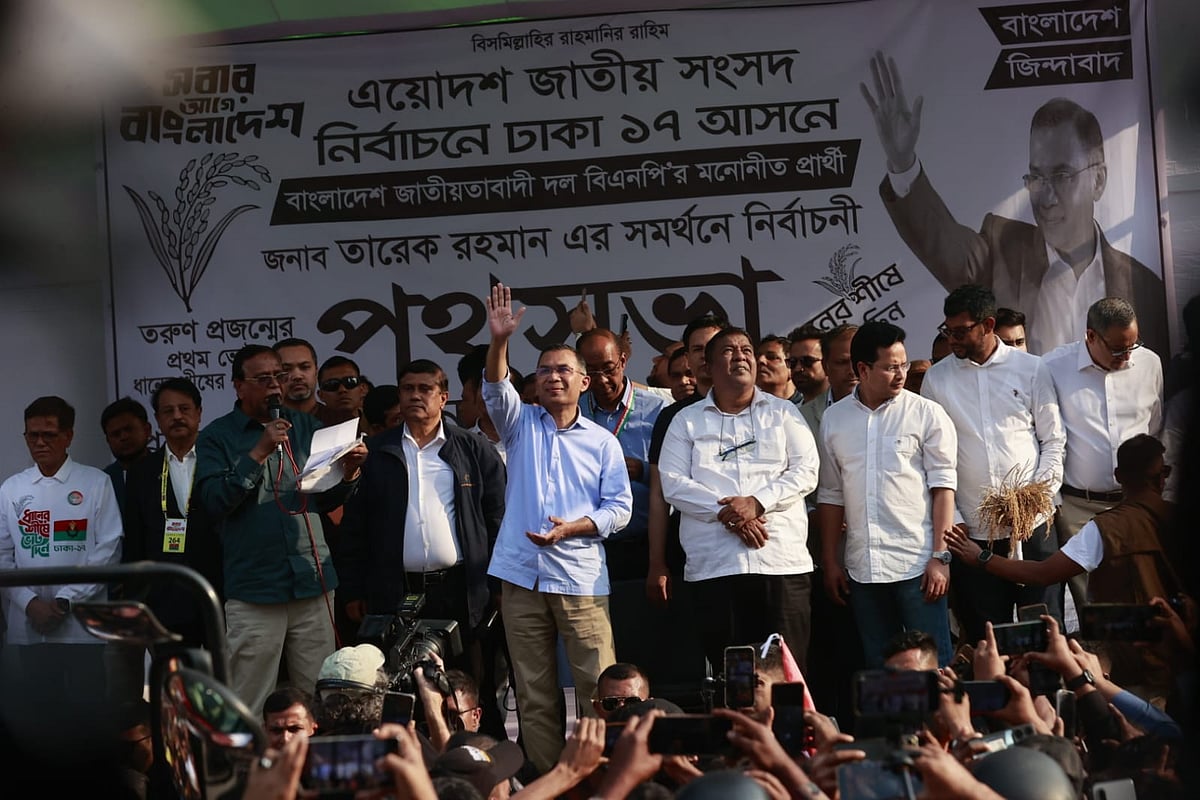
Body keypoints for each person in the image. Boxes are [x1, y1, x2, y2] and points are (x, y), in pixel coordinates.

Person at [863, 52, 1168, 356]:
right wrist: (903, 164)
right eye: (1036, 178)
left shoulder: (1144, 286)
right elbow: (941, 241)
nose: (1046, 198)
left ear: (1098, 180)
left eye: (1062, 175)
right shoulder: (1001, 249)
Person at [481, 283, 632, 774]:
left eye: (564, 370)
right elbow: (494, 390)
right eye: (544, 370)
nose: (552, 377)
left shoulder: (602, 443)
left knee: (599, 691)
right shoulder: (519, 424)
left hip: (581, 579)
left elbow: (620, 509)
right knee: (533, 692)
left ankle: (605, 776)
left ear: (584, 383)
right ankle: (550, 779)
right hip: (522, 577)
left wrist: (574, 529)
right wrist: (500, 340)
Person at [194, 344, 367, 714]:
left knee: (319, 698)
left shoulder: (307, 427)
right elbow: (213, 502)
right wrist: (257, 452)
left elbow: (323, 499)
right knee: (249, 701)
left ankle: (313, 771)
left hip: (312, 581)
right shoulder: (216, 437)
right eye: (263, 379)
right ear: (238, 386)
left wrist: (349, 473)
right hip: (255, 588)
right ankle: (250, 772)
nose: (275, 386)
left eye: (279, 377)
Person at [339, 358, 506, 735]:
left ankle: (479, 767)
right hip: (394, 592)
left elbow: (498, 522)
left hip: (461, 591)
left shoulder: (473, 449)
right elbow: (355, 530)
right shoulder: (376, 452)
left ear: (443, 397)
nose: (415, 396)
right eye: (407, 389)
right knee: (399, 691)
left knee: (468, 687)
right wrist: (352, 589)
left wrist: (497, 586)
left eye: (425, 389)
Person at [945, 434, 1181, 694]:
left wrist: (981, 557)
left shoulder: (1106, 529)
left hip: (1135, 666)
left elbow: (1042, 573)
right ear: (1162, 477)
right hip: (1182, 654)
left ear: (1118, 476)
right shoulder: (1182, 519)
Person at [659, 327, 819, 672]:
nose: (742, 356)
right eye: (729, 351)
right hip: (716, 567)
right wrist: (732, 513)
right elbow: (673, 484)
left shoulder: (782, 413)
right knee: (734, 681)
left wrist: (757, 503)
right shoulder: (685, 421)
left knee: (786, 676)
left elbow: (807, 471)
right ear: (709, 366)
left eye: (746, 349)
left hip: (780, 562)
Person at [920, 284, 1065, 639]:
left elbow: (1053, 441)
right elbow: (930, 457)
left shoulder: (1030, 368)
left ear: (986, 325)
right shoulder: (937, 379)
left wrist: (1035, 500)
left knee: (1044, 630)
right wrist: (954, 520)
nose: (951, 339)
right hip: (973, 531)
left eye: (960, 331)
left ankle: (1048, 695)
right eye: (947, 330)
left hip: (1034, 527)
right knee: (989, 635)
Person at [818, 321, 958, 667]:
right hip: (862, 570)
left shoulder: (926, 414)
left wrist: (940, 557)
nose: (901, 374)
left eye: (904, 364)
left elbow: (944, 489)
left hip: (918, 565)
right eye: (890, 367)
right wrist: (831, 561)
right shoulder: (834, 420)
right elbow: (832, 495)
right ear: (863, 369)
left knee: (934, 667)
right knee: (881, 672)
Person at [1042, 297, 1163, 617]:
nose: (1126, 357)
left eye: (1132, 347)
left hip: (1136, 503)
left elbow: (1155, 427)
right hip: (1079, 508)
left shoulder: (1149, 363)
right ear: (1090, 336)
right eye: (1118, 349)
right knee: (1094, 607)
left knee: (1145, 596)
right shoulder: (1053, 367)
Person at [0, 396, 124, 704]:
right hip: (29, 627)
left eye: (49, 435)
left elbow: (108, 549)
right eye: (32, 435)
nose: (40, 442)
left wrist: (64, 601)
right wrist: (29, 604)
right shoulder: (11, 489)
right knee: (42, 720)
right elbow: (2, 555)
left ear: (68, 436)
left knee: (88, 715)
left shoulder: (96, 482)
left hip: (82, 627)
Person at [120, 378, 222, 646]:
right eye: (168, 411)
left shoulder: (220, 460)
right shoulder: (141, 472)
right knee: (175, 681)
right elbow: (135, 542)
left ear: (199, 413)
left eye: (184, 409)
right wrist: (137, 600)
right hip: (165, 600)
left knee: (223, 680)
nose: (177, 416)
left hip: (220, 593)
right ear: (157, 419)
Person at [645, 313, 728, 606]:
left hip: (758, 548)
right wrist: (657, 562)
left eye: (714, 346)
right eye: (697, 350)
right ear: (688, 360)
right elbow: (659, 494)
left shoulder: (765, 408)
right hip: (694, 552)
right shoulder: (673, 417)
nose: (706, 356)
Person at [578, 328, 665, 581]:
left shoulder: (658, 411)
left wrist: (643, 471)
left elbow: (679, 477)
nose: (602, 379)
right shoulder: (573, 412)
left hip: (646, 546)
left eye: (608, 368)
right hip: (588, 550)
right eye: (592, 372)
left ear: (623, 361)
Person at [101, 396, 154, 514]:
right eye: (116, 434)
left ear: (147, 430)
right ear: (108, 440)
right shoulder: (102, 482)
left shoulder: (168, 472)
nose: (123, 437)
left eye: (129, 429)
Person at [316, 355, 369, 429]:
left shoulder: (378, 422)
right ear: (320, 395)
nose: (342, 390)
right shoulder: (310, 427)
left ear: (362, 389)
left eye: (350, 382)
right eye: (332, 384)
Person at [273, 337, 322, 417]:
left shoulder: (338, 421)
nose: (297, 376)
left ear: (316, 372)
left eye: (305, 367)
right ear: (275, 376)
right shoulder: (265, 423)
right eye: (286, 369)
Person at [786, 324, 829, 406]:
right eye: (793, 362)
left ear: (827, 363)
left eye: (807, 361)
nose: (798, 368)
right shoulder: (789, 415)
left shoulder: (846, 409)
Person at [755, 334, 800, 403]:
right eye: (757, 358)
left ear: (791, 367)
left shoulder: (813, 408)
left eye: (771, 357)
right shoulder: (746, 408)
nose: (760, 360)